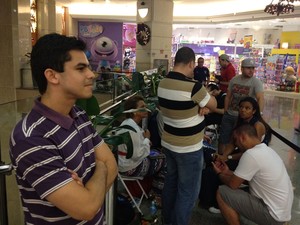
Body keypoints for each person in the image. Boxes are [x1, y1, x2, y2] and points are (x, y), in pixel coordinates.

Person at [9, 33, 118, 225]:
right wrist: (100, 168)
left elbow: (112, 165)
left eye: (89, 67)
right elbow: (87, 208)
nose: (91, 74)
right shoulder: (31, 138)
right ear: (52, 76)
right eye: (81, 68)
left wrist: (88, 189)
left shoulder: (79, 115)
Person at [157, 46, 217, 225]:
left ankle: (167, 220)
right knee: (188, 192)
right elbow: (213, 103)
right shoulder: (193, 87)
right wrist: (203, 103)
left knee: (171, 185)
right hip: (188, 148)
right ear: (191, 63)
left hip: (168, 143)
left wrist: (198, 106)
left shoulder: (162, 83)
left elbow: (175, 107)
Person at [199, 97, 271, 214]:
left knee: (212, 171)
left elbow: (251, 152)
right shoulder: (240, 121)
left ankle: (217, 203)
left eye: (247, 108)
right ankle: (208, 199)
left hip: (253, 159)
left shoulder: (258, 125)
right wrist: (223, 155)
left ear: (254, 111)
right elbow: (232, 143)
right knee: (212, 161)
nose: (243, 110)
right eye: (241, 107)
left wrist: (228, 158)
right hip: (242, 154)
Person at [212, 124, 293, 225]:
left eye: (236, 140)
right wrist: (227, 172)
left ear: (242, 138)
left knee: (222, 192)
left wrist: (219, 173)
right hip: (282, 212)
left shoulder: (251, 154)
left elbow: (233, 184)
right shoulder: (267, 150)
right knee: (238, 190)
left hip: (273, 215)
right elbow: (249, 179)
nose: (236, 145)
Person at [117, 95, 166, 200]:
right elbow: (137, 154)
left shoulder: (129, 125)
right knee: (166, 162)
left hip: (126, 164)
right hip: (130, 167)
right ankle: (157, 195)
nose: (146, 108)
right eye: (142, 106)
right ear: (134, 112)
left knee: (159, 154)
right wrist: (147, 139)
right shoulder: (131, 129)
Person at [219, 58, 264, 154]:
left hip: (244, 118)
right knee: (223, 138)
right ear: (242, 68)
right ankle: (221, 158)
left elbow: (260, 98)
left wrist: (258, 114)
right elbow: (228, 96)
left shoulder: (256, 82)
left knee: (241, 142)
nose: (251, 70)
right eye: (248, 68)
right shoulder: (234, 80)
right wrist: (226, 111)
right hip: (230, 114)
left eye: (252, 68)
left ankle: (234, 160)